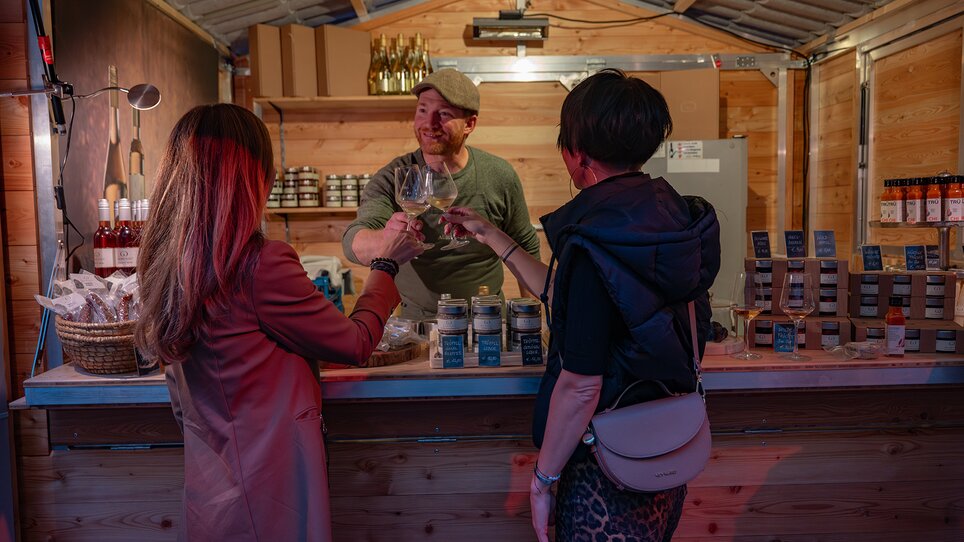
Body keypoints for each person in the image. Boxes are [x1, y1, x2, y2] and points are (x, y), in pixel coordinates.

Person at [443, 69, 721, 541]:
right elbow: (574, 297)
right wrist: (491, 234)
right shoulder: (670, 216)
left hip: (607, 467)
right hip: (665, 453)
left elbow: (579, 388)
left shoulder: (592, 239)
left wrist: (543, 479)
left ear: (577, 154)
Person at [134, 104, 423, 541]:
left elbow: (181, 398)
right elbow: (355, 342)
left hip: (216, 484)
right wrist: (385, 264)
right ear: (254, 178)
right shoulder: (259, 264)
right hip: (268, 486)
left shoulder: (173, 263)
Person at [342, 68, 541, 319]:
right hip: (420, 325)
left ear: (470, 124)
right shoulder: (394, 176)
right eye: (422, 110)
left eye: (443, 113)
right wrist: (387, 240)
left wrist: (532, 323)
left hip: (487, 321)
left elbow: (525, 247)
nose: (429, 123)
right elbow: (353, 242)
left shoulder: (499, 175)